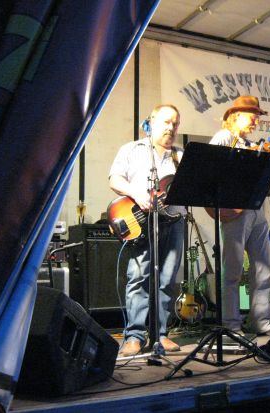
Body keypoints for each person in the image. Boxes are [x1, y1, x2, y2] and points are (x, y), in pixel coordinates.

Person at [109, 104, 184, 356]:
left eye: (175, 123)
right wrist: (137, 193)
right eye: (166, 122)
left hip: (174, 221)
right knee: (138, 277)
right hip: (140, 222)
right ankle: (134, 336)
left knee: (168, 279)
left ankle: (161, 334)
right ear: (151, 121)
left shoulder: (180, 156)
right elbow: (115, 178)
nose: (171, 127)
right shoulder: (131, 149)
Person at [209, 95, 270, 336]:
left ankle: (261, 321)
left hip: (255, 209)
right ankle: (231, 324)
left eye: (258, 116)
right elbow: (210, 170)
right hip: (234, 209)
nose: (256, 121)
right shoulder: (223, 138)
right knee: (233, 269)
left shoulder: (249, 143)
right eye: (253, 116)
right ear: (236, 115)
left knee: (263, 268)